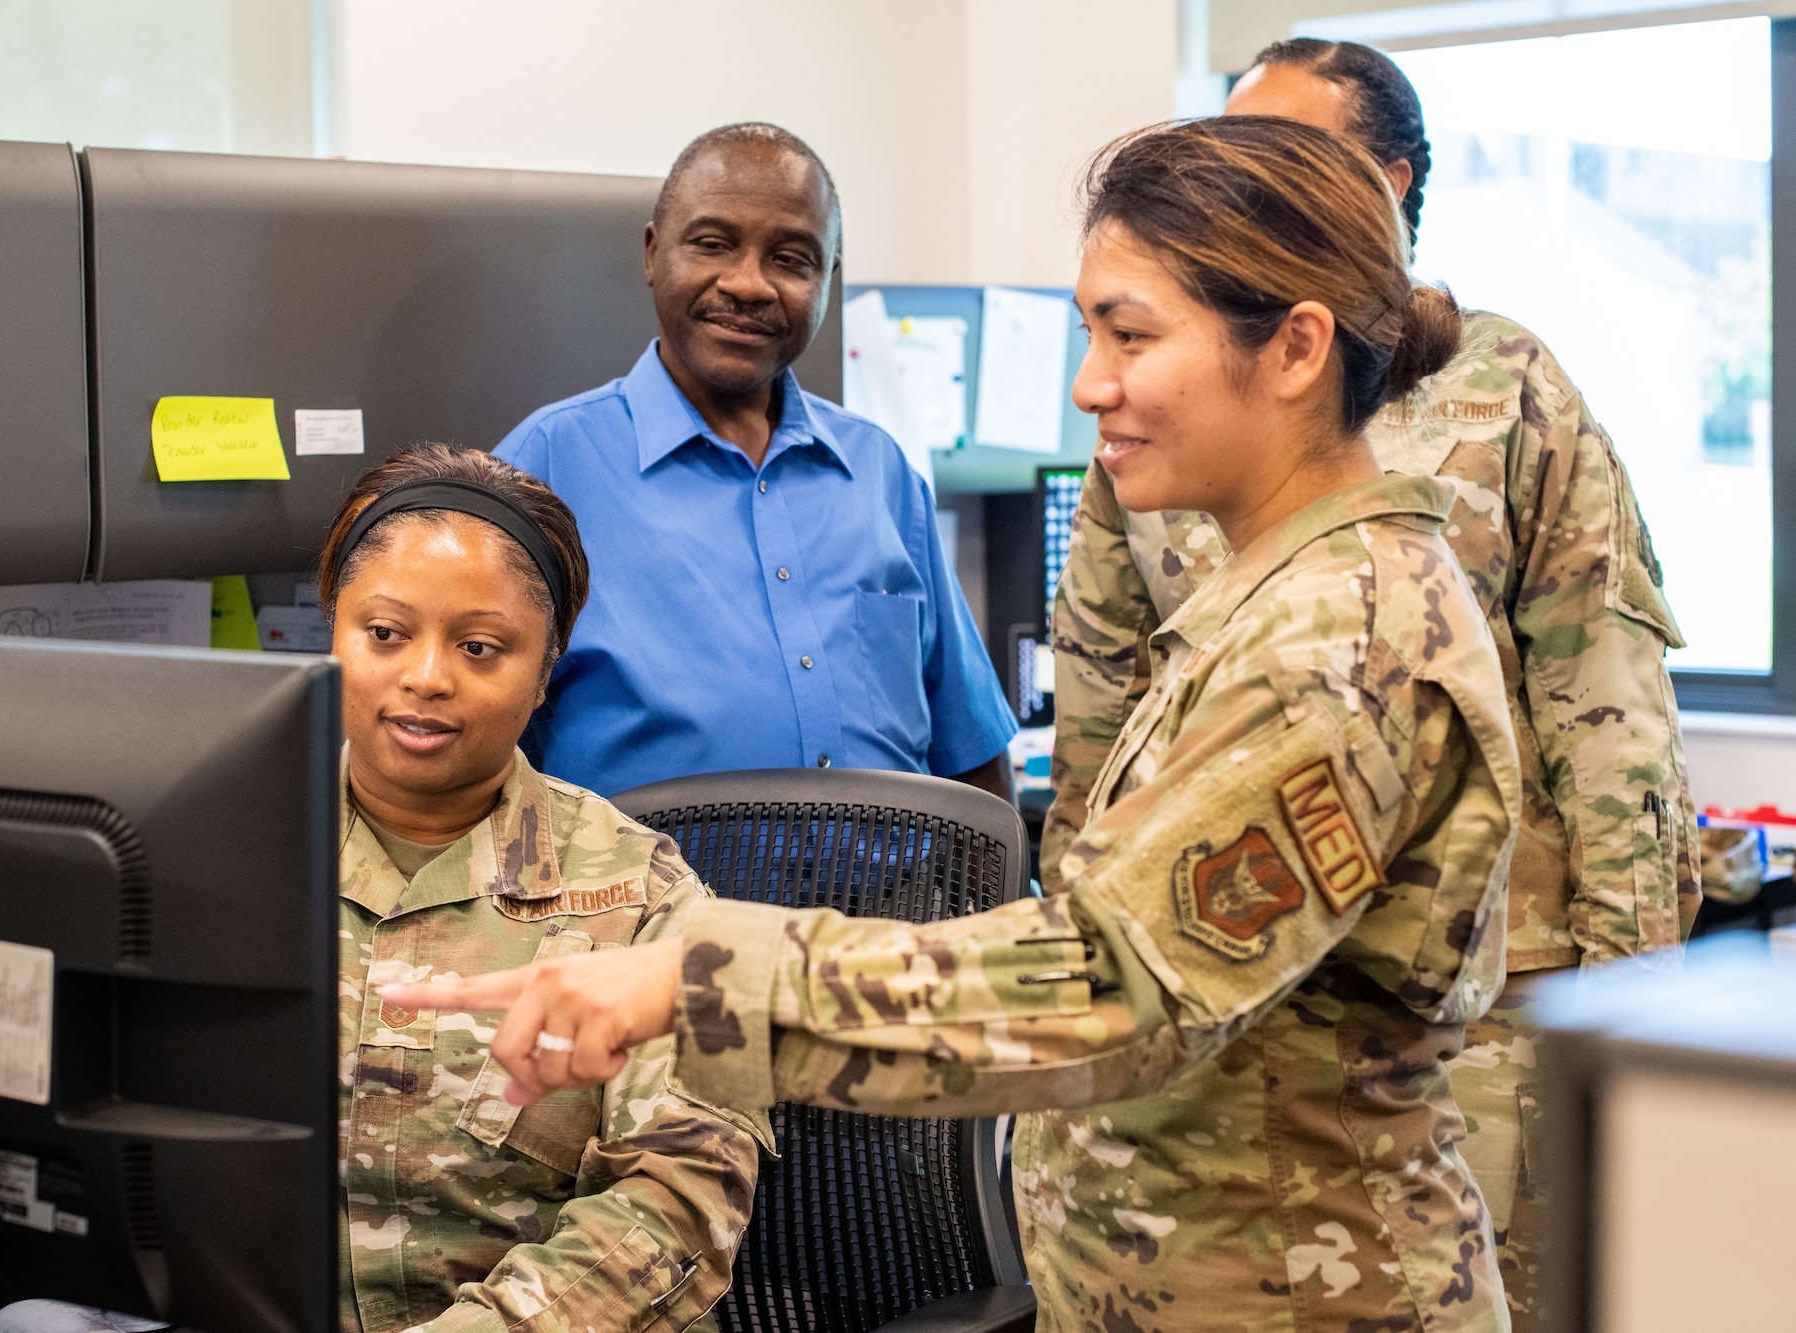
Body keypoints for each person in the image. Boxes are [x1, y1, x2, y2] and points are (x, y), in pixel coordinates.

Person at [385, 118, 1523, 1333]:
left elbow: (1109, 985)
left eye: (1129, 334)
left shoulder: (1335, 644)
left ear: (1293, 348)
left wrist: (696, 973)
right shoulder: (1273, 606)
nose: (1089, 382)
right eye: (1089, 332)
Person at [1041, 40, 1697, 1328]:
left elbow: (1607, 720)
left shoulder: (1506, 387)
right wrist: (1080, 956)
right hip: (1226, 996)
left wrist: (1628, 1035)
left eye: (1295, 154)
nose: (1253, 183)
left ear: (1388, 185)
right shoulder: (1165, 400)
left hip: (1482, 992)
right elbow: (1099, 698)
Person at [322, 443, 763, 1333]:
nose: (427, 676)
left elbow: (682, 1192)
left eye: (480, 647)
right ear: (330, 629)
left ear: (545, 669)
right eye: (385, 633)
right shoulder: (214, 853)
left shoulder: (643, 894)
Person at [494, 122, 1017, 801]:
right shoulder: (545, 467)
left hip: (886, 908)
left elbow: (970, 752)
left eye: (791, 259)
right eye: (713, 244)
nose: (748, 284)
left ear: (827, 280)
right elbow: (467, 751)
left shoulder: (880, 472)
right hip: (647, 907)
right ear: (653, 254)